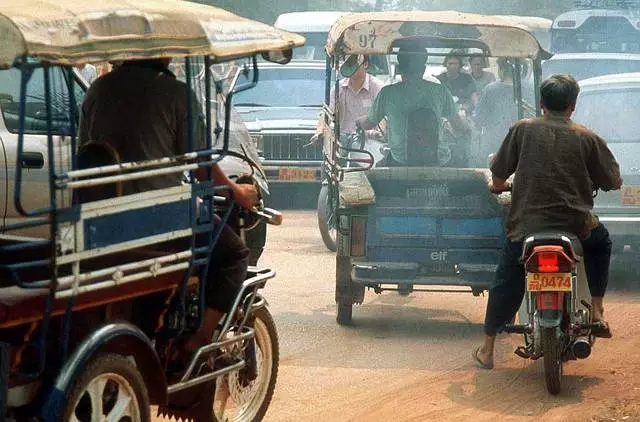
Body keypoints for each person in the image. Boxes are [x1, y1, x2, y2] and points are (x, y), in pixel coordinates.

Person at [79, 58, 259, 356]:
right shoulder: (176, 94)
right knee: (234, 255)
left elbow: (86, 153)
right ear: (164, 55)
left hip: (101, 218)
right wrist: (238, 191)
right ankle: (199, 338)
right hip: (157, 217)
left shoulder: (97, 89)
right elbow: (201, 167)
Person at [473, 74, 623, 370]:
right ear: (573, 105)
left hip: (526, 226)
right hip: (576, 226)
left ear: (541, 103)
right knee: (601, 242)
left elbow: (499, 176)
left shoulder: (521, 130)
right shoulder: (587, 137)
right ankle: (596, 310)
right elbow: (614, 180)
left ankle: (488, 349)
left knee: (506, 278)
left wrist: (499, 186)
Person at [355, 46, 469, 166]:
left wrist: (358, 122)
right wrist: (466, 127)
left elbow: (369, 123)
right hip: (440, 162)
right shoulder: (440, 90)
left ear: (399, 69)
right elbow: (458, 125)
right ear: (423, 69)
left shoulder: (387, 93)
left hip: (401, 161)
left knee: (377, 167)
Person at [309, 55, 385, 145]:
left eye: (354, 64)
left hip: (370, 142)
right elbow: (327, 113)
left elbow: (384, 116)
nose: (351, 67)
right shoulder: (339, 88)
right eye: (349, 64)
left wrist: (379, 133)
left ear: (365, 65)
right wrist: (319, 131)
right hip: (344, 142)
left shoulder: (377, 87)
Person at [474, 58, 519, 164]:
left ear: (502, 70)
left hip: (493, 142)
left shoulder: (490, 89)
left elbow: (479, 118)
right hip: (519, 141)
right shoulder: (528, 88)